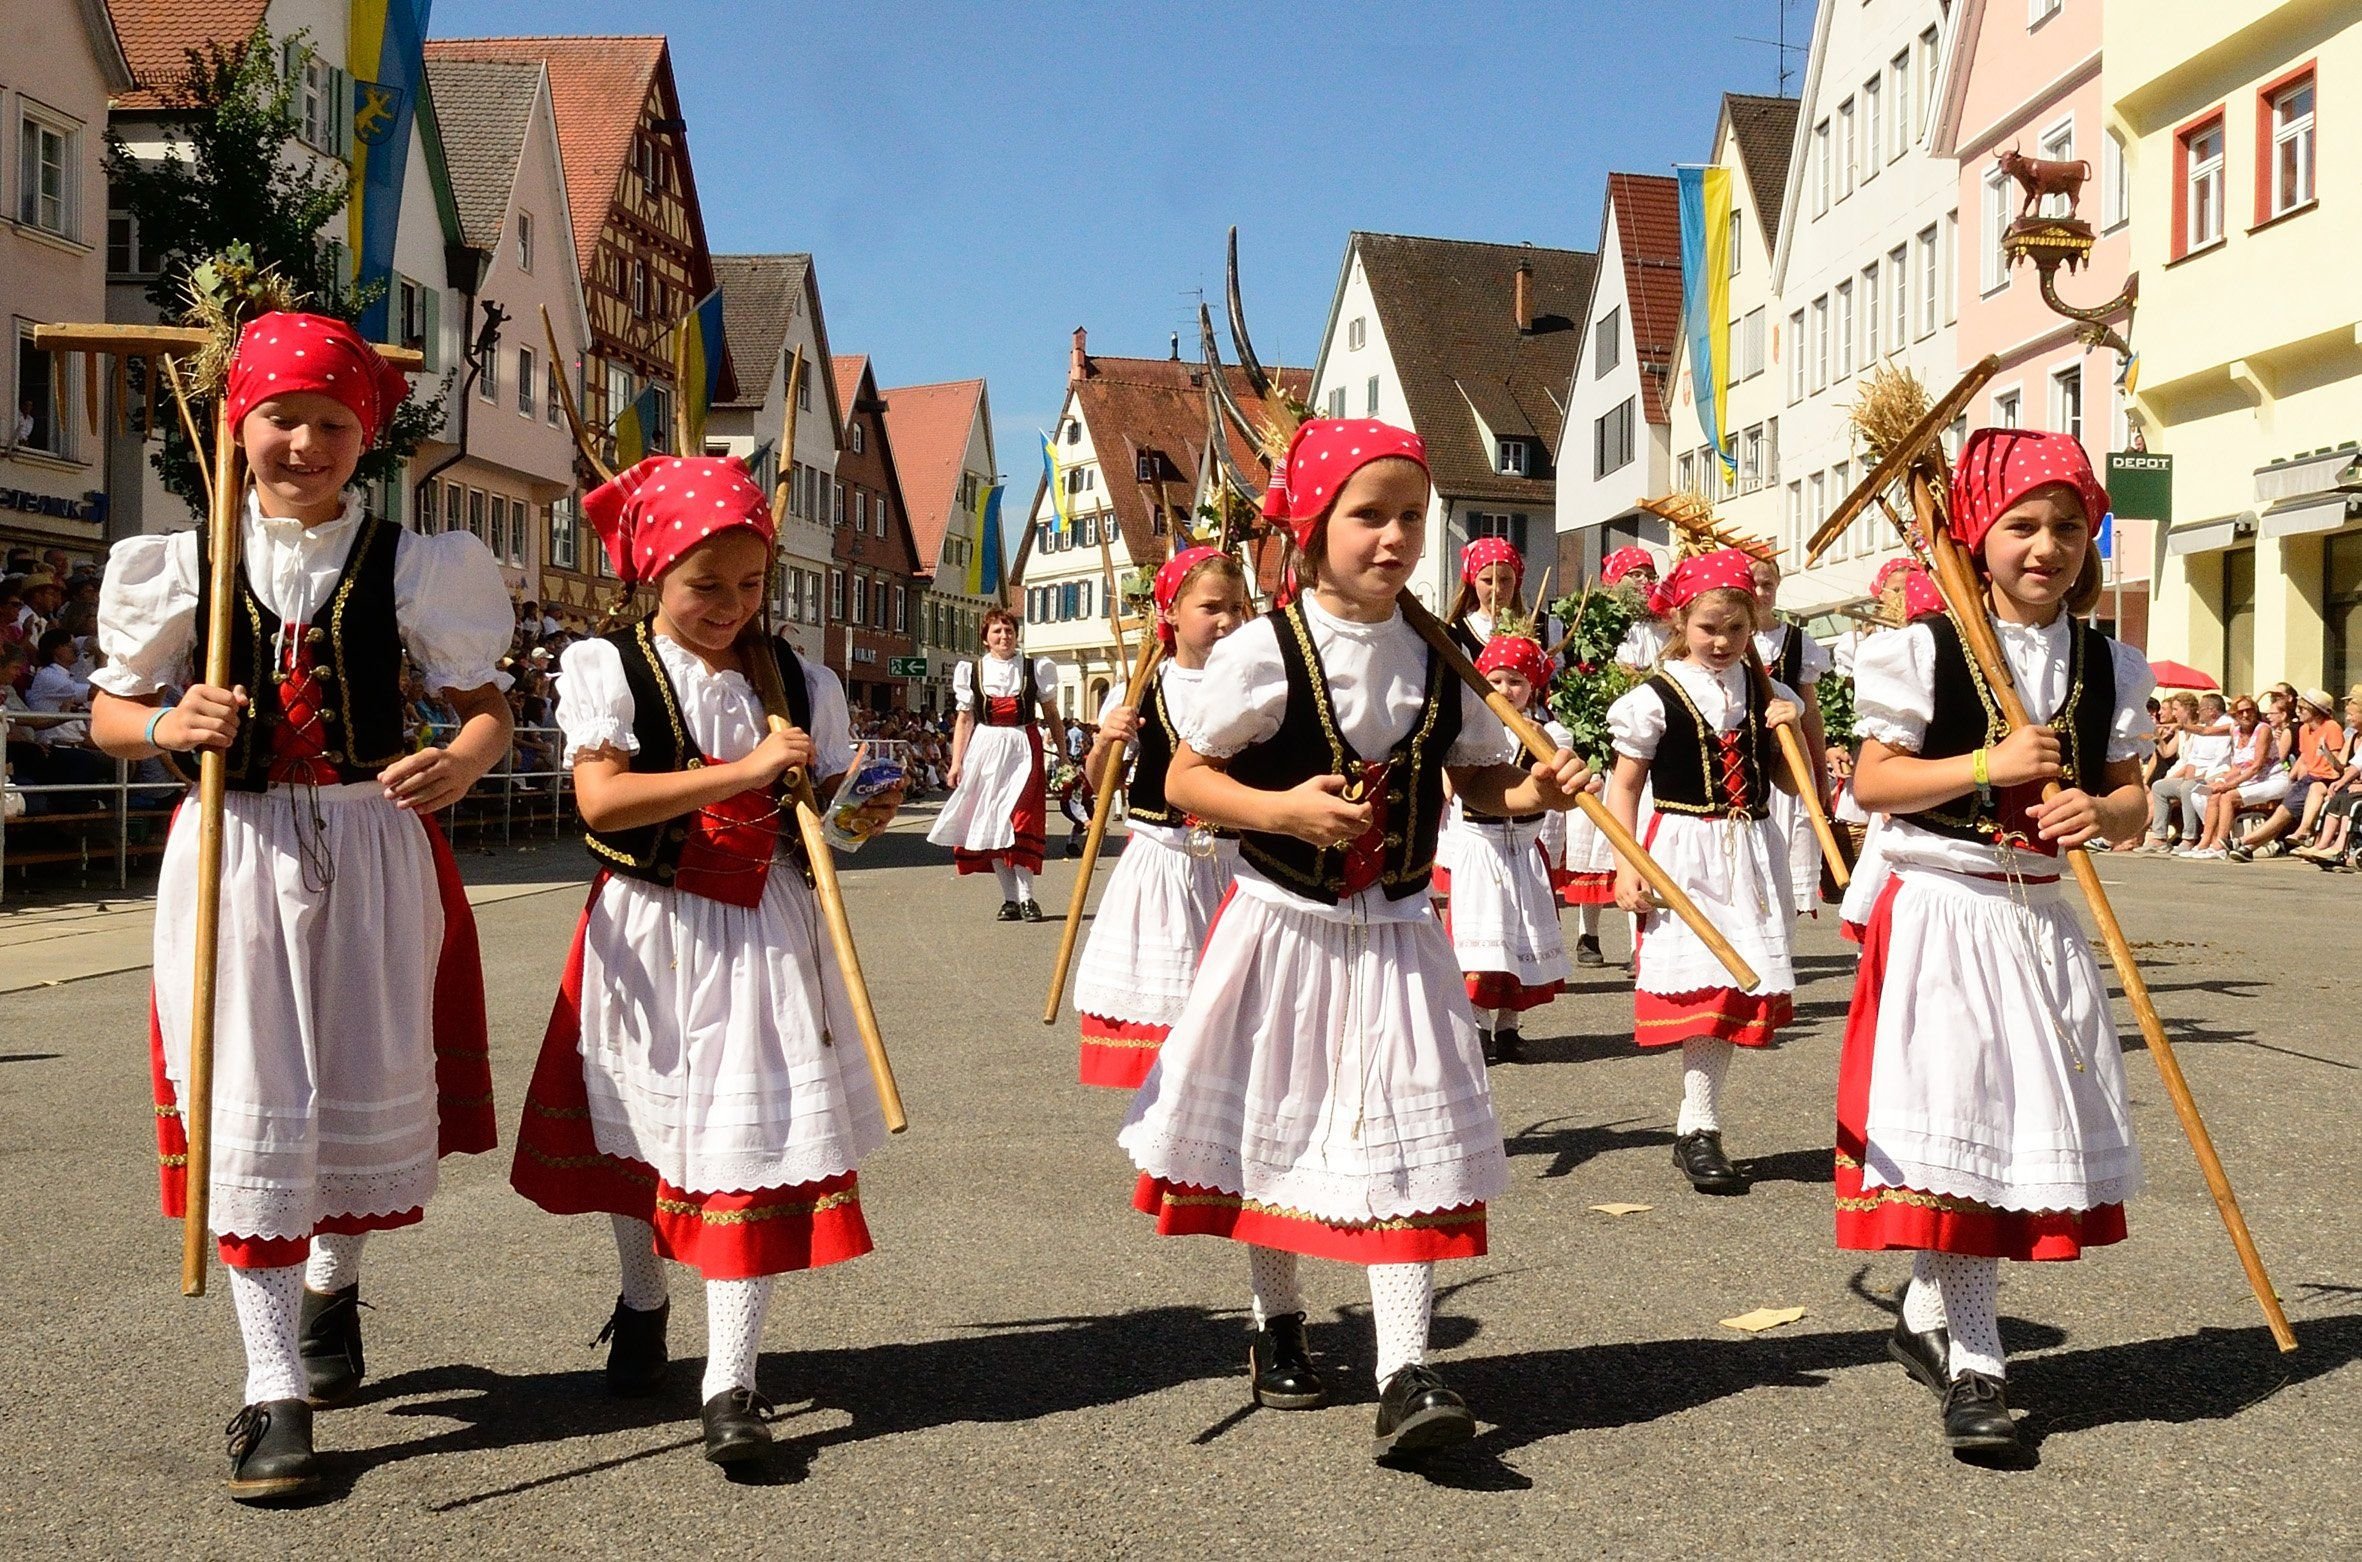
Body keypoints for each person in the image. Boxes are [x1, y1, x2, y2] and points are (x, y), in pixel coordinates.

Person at [86, 311, 513, 1502]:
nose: (306, 443)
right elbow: (110, 713)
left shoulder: (421, 564)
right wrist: (171, 724)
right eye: (282, 416)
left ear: (364, 437)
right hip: (236, 848)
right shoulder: (181, 560)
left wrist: (467, 760)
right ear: (239, 425)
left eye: (333, 422)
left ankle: (334, 1283)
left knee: (352, 1079)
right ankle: (272, 1385)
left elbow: (485, 705)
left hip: (377, 846)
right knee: (254, 1101)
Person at [1118, 419, 1588, 1463]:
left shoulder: (1438, 647)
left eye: (1411, 517)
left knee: (1409, 1140)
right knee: (1275, 1126)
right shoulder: (1260, 648)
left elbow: (1476, 787)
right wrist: (1282, 810)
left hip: (1402, 929)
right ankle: (1275, 1319)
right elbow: (1187, 779)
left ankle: (1405, 1366)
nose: (1393, 538)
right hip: (1285, 924)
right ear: (1314, 524)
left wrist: (1536, 787)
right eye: (1368, 516)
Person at [509, 456, 898, 1470]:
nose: (732, 606)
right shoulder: (609, 665)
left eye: (751, 584)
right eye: (706, 585)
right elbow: (599, 803)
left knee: (741, 1148)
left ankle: (732, 1381)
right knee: (643, 1136)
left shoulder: (797, 677)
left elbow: (831, 830)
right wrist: (740, 769)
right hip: (649, 928)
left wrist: (863, 807)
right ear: (652, 574)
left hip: (765, 931)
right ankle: (643, 1300)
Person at [1840, 427, 2154, 1458]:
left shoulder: (2112, 662)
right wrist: (1989, 760)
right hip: (1943, 908)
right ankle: (1977, 1362)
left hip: (2041, 916)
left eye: (2067, 525)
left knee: (2001, 1137)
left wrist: (2100, 818)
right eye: (2021, 523)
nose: (2045, 545)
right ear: (1975, 537)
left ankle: (1930, 1316)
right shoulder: (1921, 648)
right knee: (1958, 1125)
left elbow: (2132, 800)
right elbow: (1874, 783)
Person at [1604, 549, 1802, 1196]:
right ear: (1680, 622)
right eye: (1708, 627)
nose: (1721, 641)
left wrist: (1798, 728)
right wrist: (1626, 865)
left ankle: (1699, 1125)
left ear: (1754, 626)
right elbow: (1624, 787)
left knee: (1736, 987)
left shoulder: (1771, 693)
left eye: (1735, 629)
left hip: (1749, 851)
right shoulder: (1654, 698)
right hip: (1683, 851)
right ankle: (1698, 1128)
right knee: (1705, 991)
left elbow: (1791, 780)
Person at [1072, 547, 1250, 1088]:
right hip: (1164, 861)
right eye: (1211, 607)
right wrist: (1108, 740)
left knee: (1232, 1018)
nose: (1227, 620)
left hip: (1235, 864)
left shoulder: (1255, 681)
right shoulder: (1145, 686)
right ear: (1170, 611)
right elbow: (1100, 784)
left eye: (1238, 608)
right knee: (1169, 1006)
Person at [1441, 630, 1573, 1063]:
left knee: (1522, 938)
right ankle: (1476, 1024)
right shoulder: (1472, 730)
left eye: (1516, 681)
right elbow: (1452, 784)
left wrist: (1541, 741)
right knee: (1483, 941)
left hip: (1523, 846)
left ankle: (1510, 1027)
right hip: (1483, 848)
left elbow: (1556, 775)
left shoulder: (1550, 731)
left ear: (1533, 686)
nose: (1505, 690)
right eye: (1495, 681)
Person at [927, 608, 1063, 920]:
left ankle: (1028, 896)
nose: (1004, 637)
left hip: (1023, 747)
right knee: (993, 822)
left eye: (1009, 631)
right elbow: (964, 720)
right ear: (986, 639)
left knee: (1020, 820)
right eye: (997, 632)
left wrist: (1065, 756)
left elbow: (1052, 715)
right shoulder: (973, 671)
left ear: (1017, 635)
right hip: (986, 748)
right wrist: (956, 763)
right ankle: (1010, 899)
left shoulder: (1034, 669)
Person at [1748, 554, 1834, 916]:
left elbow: (1811, 713)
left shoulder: (1797, 643)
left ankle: (1781, 943)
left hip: (1787, 762)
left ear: (1778, 585)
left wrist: (1820, 774)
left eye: (1768, 584)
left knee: (1786, 860)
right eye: (1753, 583)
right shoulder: (1728, 638)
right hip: (1750, 763)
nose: (1760, 592)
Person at [2231, 688, 2344, 859]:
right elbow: (2304, 759)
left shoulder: (2331, 727)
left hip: (2327, 779)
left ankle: (2242, 841)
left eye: (2303, 708)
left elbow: (2337, 766)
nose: (2298, 712)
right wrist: (2291, 779)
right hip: (2310, 778)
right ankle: (2247, 848)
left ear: (2316, 710)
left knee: (2282, 815)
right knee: (2281, 814)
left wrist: (2327, 753)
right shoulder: (2304, 730)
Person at [2181, 695, 2274, 859]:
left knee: (2227, 796)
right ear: (2235, 715)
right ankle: (2206, 841)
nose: (2245, 715)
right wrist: (2222, 780)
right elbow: (2206, 732)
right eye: (2241, 712)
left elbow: (2256, 766)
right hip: (2248, 779)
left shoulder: (2263, 729)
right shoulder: (2235, 729)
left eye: (2249, 711)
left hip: (2270, 779)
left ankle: (2221, 844)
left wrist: (2228, 785)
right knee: (2213, 794)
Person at [1604, 547, 1670, 670]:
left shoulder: (1663, 621)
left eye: (1651, 576)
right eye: (1637, 575)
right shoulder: (1605, 620)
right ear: (1618, 579)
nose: (1645, 581)